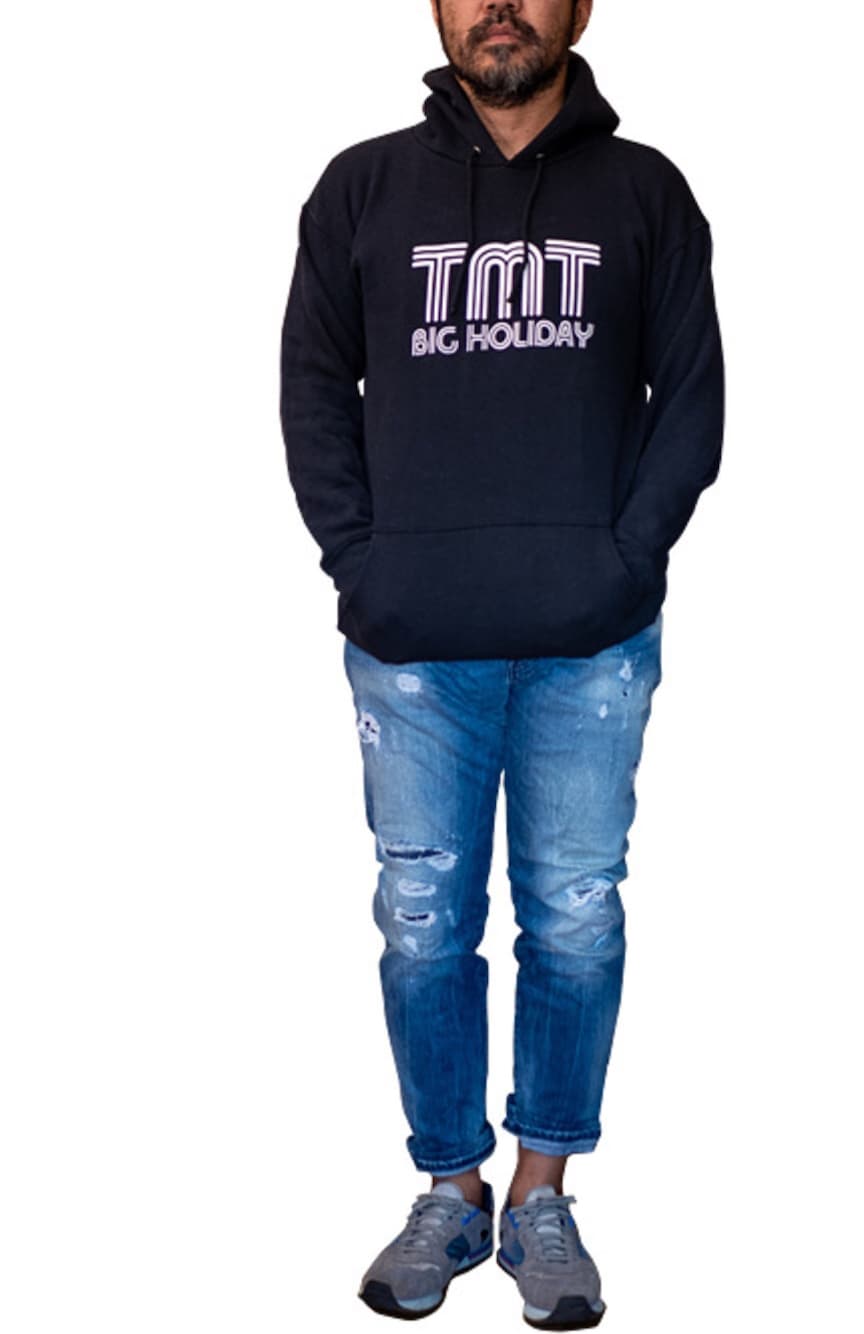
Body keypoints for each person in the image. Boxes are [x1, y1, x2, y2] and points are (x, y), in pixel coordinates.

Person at [279, 0, 725, 1326]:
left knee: (574, 914)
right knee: (422, 920)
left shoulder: (645, 192)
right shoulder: (361, 189)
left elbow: (693, 398)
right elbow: (313, 388)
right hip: (414, 646)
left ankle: (542, 1194)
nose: (500, 6)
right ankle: (450, 1187)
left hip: (592, 640)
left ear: (581, 6)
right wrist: (365, 562)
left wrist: (623, 561)